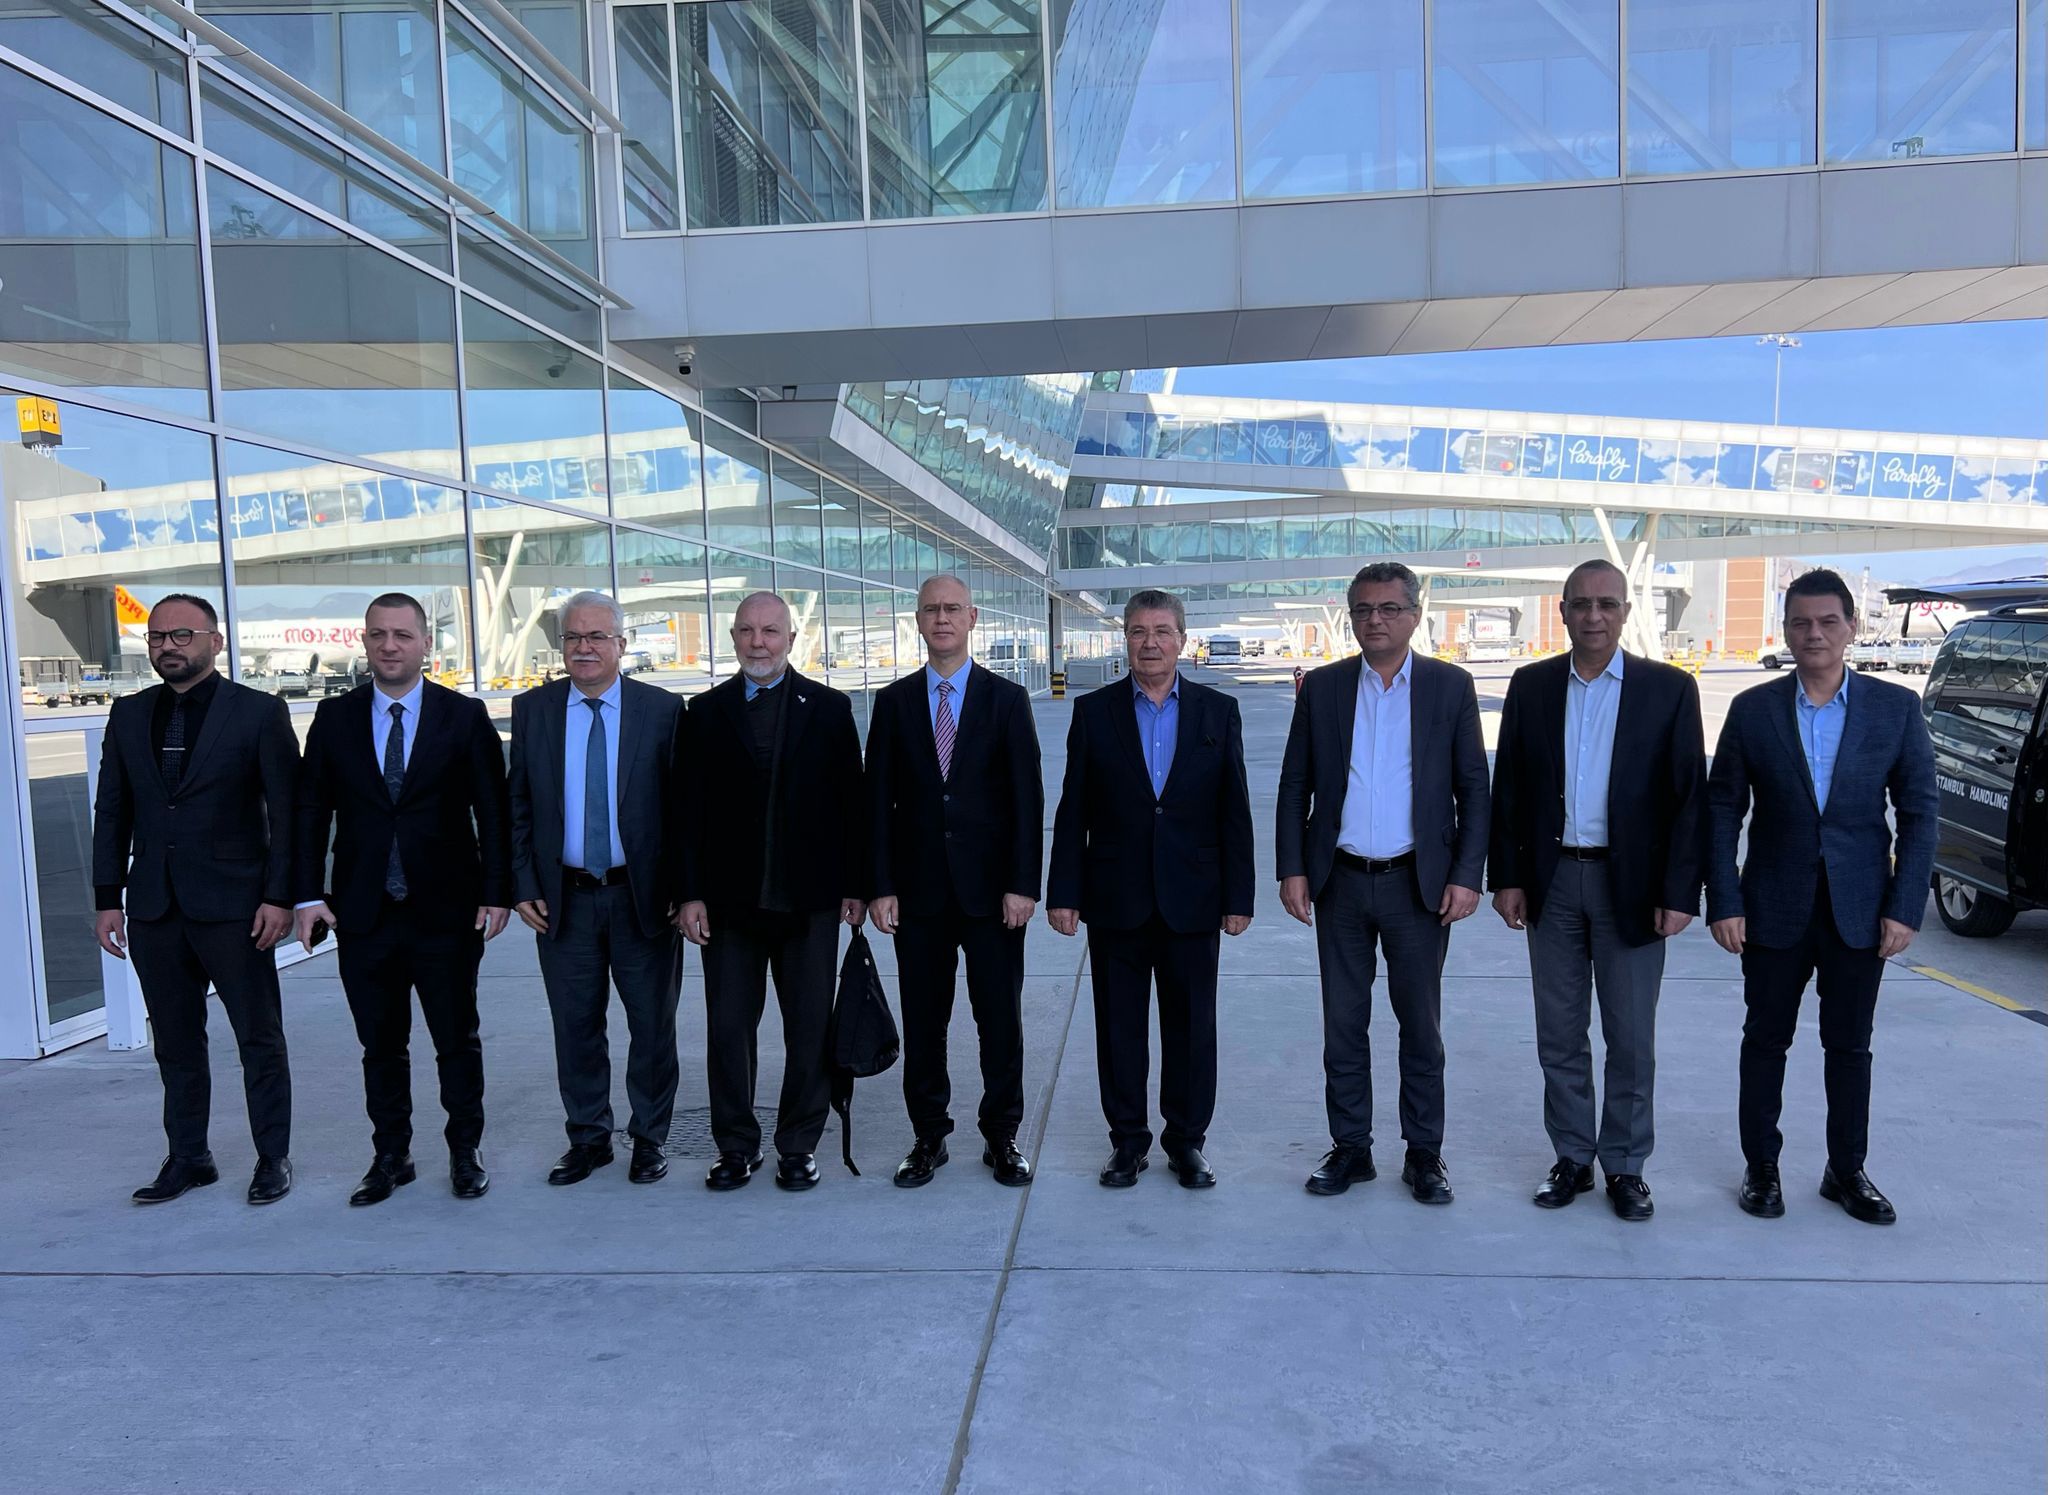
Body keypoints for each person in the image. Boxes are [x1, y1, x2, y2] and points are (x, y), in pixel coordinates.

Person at [1708, 568, 1937, 1226]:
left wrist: (1904, 906)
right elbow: (1721, 809)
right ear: (1786, 630)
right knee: (1765, 1041)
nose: (1814, 633)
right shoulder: (1753, 710)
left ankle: (1846, 1169)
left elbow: (1919, 813)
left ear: (1850, 628)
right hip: (1771, 905)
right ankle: (1762, 1167)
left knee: (1850, 1046)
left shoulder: (1895, 709)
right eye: (1801, 622)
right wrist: (1724, 899)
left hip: (1859, 909)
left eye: (1828, 621)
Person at [1488, 560, 1707, 1222]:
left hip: (1631, 886)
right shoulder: (1531, 686)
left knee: (1630, 1035)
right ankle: (1573, 1156)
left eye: (1606, 604)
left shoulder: (1669, 690)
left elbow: (1689, 800)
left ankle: (1626, 1165)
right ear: (1561, 611)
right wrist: (1507, 877)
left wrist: (1680, 891)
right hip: (1552, 882)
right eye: (1580, 604)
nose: (1593, 616)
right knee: (1558, 1031)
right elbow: (1509, 790)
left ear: (1625, 612)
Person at [1276, 562, 1489, 1206]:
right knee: (1343, 1024)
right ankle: (1351, 1148)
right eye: (1364, 609)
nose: (1376, 620)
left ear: (1414, 616)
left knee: (1420, 1026)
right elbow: (1295, 784)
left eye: (1389, 608)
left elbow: (1474, 789)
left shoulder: (1450, 686)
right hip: (1339, 881)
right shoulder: (1324, 687)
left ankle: (1424, 1153)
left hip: (1417, 885)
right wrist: (1292, 867)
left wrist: (1467, 876)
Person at [293, 594, 512, 1206]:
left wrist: (497, 892)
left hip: (446, 912)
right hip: (364, 914)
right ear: (364, 641)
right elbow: (310, 812)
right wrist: (306, 895)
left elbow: (493, 811)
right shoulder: (334, 718)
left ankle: (465, 1151)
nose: (389, 646)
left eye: (402, 635)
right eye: (378, 635)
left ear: (425, 644)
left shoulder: (463, 716)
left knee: (456, 1040)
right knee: (380, 1046)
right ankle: (391, 1156)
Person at [91, 595, 299, 1206]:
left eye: (182, 635)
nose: (168, 647)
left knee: (258, 1037)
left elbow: (288, 813)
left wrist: (280, 896)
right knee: (176, 1042)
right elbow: (113, 809)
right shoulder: (129, 713)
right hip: (154, 906)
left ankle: (272, 1158)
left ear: (215, 641)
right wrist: (108, 898)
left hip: (237, 906)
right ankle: (189, 1157)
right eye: (157, 637)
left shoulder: (258, 712)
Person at [1047, 589, 1254, 1190]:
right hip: (1117, 897)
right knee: (1119, 1029)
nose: (1151, 643)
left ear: (1182, 640)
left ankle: (1186, 1142)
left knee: (1192, 1028)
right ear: (1125, 640)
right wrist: (1064, 891)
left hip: (1194, 897)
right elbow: (1073, 809)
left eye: (1162, 631)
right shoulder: (1095, 712)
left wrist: (1238, 897)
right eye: (1138, 631)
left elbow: (1234, 810)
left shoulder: (1218, 712)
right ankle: (1127, 1142)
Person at [678, 592, 866, 1193]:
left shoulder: (830, 709)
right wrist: (689, 894)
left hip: (810, 901)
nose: (757, 642)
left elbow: (852, 804)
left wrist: (856, 886)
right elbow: (687, 812)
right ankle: (735, 1146)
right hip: (729, 905)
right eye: (747, 631)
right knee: (729, 1030)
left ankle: (798, 1145)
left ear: (790, 638)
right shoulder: (703, 712)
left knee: (808, 1029)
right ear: (733, 637)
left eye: (770, 631)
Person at [867, 576, 1042, 1189]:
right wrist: (880, 885)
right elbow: (876, 802)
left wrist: (1023, 885)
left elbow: (1026, 800)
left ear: (972, 619)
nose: (941, 619)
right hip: (918, 896)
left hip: (993, 896)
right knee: (925, 1022)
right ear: (918, 621)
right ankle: (928, 1137)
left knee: (1000, 1021)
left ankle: (1002, 1135)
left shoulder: (1006, 699)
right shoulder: (893, 703)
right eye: (930, 610)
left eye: (952, 609)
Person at [508, 592, 688, 1188]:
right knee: (576, 1026)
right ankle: (588, 1139)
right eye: (573, 638)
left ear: (621, 645)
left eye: (597, 637)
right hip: (564, 901)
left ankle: (649, 1138)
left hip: (643, 900)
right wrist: (523, 883)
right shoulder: (532, 710)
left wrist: (682, 887)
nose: (584, 648)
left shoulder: (662, 710)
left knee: (652, 1026)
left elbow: (684, 809)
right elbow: (518, 805)